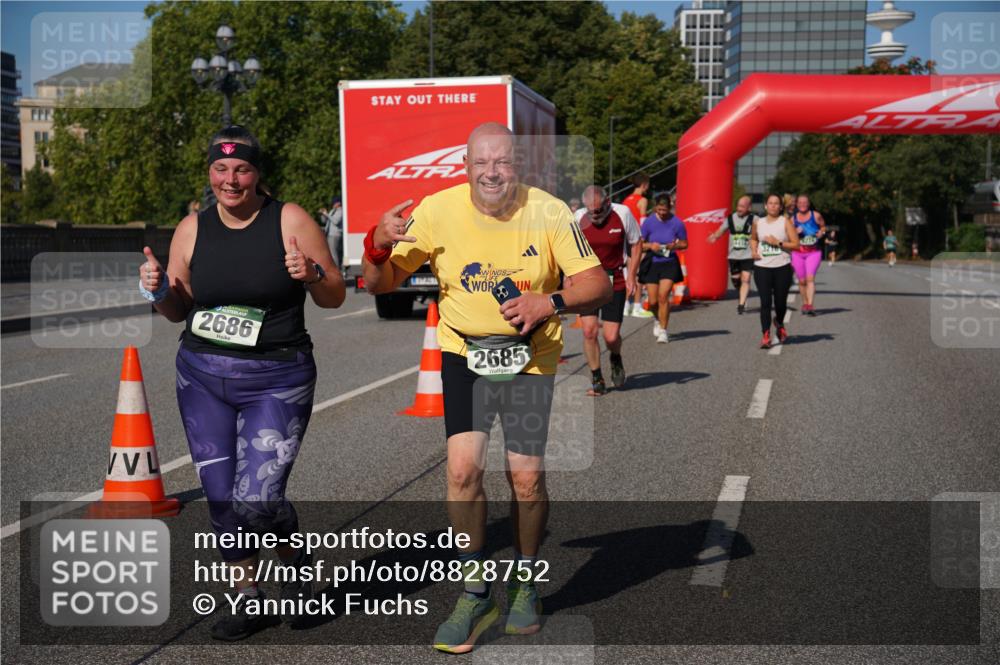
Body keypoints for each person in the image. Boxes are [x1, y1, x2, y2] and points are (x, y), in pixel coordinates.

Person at [362, 123, 609, 653]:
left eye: (502, 163)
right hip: (464, 354)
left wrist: (551, 302)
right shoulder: (436, 211)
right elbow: (379, 285)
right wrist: (377, 246)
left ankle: (525, 581)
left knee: (525, 478)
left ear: (516, 166)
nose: (492, 173)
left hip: (528, 356)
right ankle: (476, 593)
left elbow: (598, 283)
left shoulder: (546, 211)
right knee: (461, 470)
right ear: (467, 166)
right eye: (481, 163)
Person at [138, 125, 346, 640]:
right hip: (203, 375)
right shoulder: (193, 228)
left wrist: (313, 274)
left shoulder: (289, 219)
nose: (230, 180)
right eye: (220, 169)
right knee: (220, 496)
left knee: (258, 496)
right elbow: (176, 310)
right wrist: (159, 288)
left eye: (242, 169)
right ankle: (245, 596)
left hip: (278, 376)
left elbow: (336, 295)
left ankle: (293, 556)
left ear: (258, 174)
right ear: (210, 172)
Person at [577, 185, 641, 395]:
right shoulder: (578, 217)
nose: (594, 215)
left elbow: (636, 243)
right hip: (588, 278)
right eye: (590, 211)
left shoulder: (622, 213)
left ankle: (615, 357)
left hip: (616, 276)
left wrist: (632, 275)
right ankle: (597, 379)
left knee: (611, 336)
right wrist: (569, 278)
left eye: (598, 210)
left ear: (607, 203)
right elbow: (568, 248)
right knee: (589, 331)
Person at [750, 193, 799, 348]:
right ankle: (765, 334)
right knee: (765, 302)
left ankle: (778, 322)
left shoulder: (785, 222)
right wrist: (753, 250)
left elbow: (796, 244)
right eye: (770, 203)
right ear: (765, 205)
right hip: (762, 267)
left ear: (780, 206)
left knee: (780, 303)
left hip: (782, 267)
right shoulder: (758, 222)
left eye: (776, 203)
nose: (773, 206)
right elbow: (753, 239)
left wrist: (777, 242)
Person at [640, 194, 688, 343]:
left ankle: (663, 330)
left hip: (669, 262)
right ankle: (657, 318)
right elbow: (639, 244)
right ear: (655, 207)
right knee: (653, 302)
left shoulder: (677, 223)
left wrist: (673, 246)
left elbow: (685, 244)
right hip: (652, 262)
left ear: (670, 207)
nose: (661, 213)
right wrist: (650, 246)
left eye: (665, 210)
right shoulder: (648, 222)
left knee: (663, 296)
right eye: (659, 209)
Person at [708, 194, 755, 314]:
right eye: (738, 206)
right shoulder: (730, 219)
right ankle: (742, 294)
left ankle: (741, 303)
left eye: (742, 207)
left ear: (749, 208)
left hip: (748, 255)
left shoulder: (754, 219)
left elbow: (764, 228)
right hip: (733, 256)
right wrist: (714, 237)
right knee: (736, 280)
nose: (739, 208)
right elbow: (721, 230)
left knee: (746, 278)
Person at [790, 194, 826, 316]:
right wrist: (794, 232)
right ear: (797, 204)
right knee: (802, 281)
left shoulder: (815, 215)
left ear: (808, 204)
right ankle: (805, 303)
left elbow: (823, 226)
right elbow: (787, 235)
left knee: (810, 279)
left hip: (813, 252)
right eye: (800, 202)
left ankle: (810, 305)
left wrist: (822, 233)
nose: (802, 204)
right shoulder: (792, 219)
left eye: (805, 202)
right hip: (797, 253)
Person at [622, 173, 652, 318]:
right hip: (638, 239)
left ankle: (626, 305)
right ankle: (637, 306)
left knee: (628, 272)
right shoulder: (643, 200)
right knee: (638, 273)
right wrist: (645, 241)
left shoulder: (626, 200)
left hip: (626, 239)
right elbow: (643, 222)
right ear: (644, 185)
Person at [323, 196, 344, 268]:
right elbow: (325, 221)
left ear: (338, 203)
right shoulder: (332, 211)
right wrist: (323, 215)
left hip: (335, 235)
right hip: (329, 234)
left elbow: (336, 221)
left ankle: (337, 269)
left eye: (334, 203)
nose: (333, 204)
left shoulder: (341, 211)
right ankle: (336, 268)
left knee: (334, 254)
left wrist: (327, 214)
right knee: (331, 254)